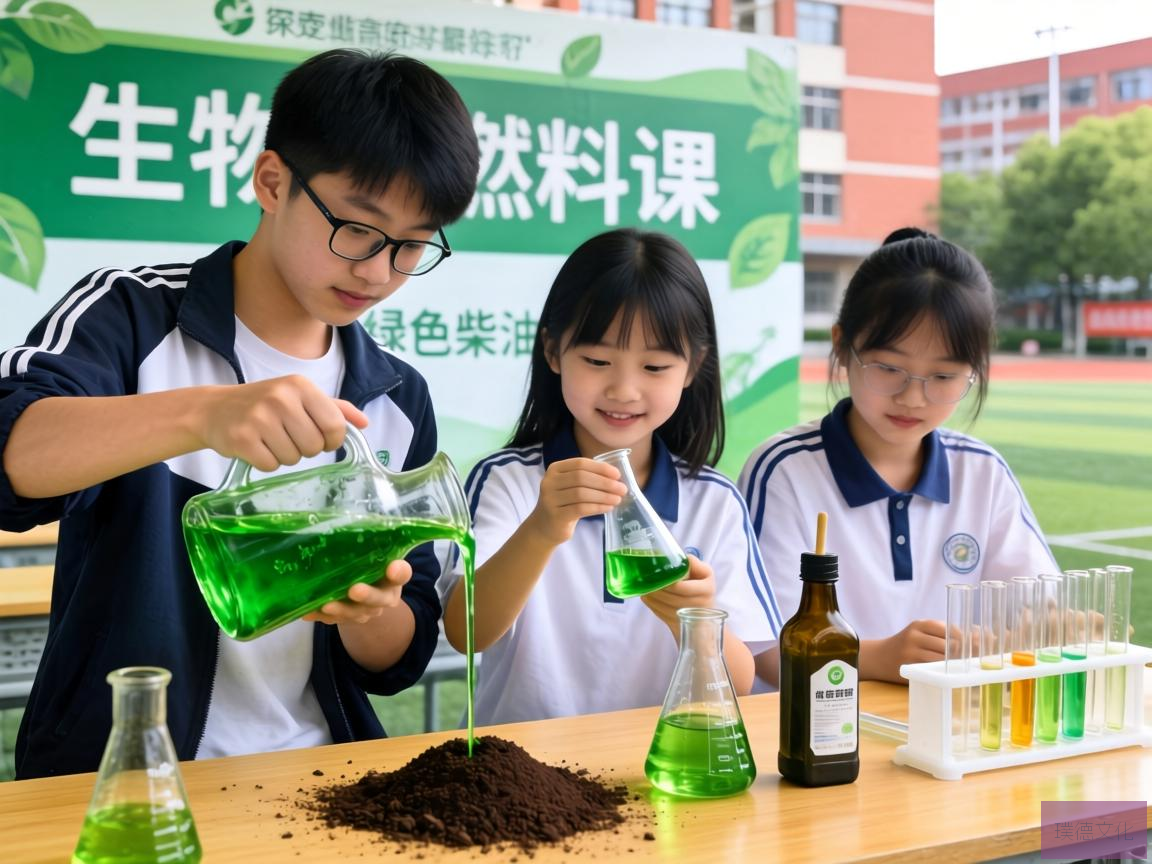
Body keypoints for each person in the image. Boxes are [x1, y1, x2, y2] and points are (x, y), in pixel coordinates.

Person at [0, 50, 480, 778]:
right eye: (359, 229)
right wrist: (204, 415)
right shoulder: (130, 314)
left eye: (413, 246)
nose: (379, 272)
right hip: (128, 777)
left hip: (320, 780)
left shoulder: (395, 397)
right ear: (272, 181)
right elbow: (12, 453)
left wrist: (369, 606)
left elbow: (394, 663)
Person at [439, 228, 782, 725]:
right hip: (523, 775)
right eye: (598, 361)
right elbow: (466, 633)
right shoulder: (508, 481)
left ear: (692, 369)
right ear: (553, 352)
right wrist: (541, 528)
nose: (624, 389)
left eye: (655, 366)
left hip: (661, 770)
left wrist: (691, 623)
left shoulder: (715, 501)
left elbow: (740, 684)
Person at [740, 227, 1058, 687]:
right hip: (819, 736)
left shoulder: (982, 472)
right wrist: (876, 656)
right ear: (841, 347)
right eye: (889, 368)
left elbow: (1036, 600)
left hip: (948, 731)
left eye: (944, 376)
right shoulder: (784, 470)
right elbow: (761, 648)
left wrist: (1056, 622)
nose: (913, 397)